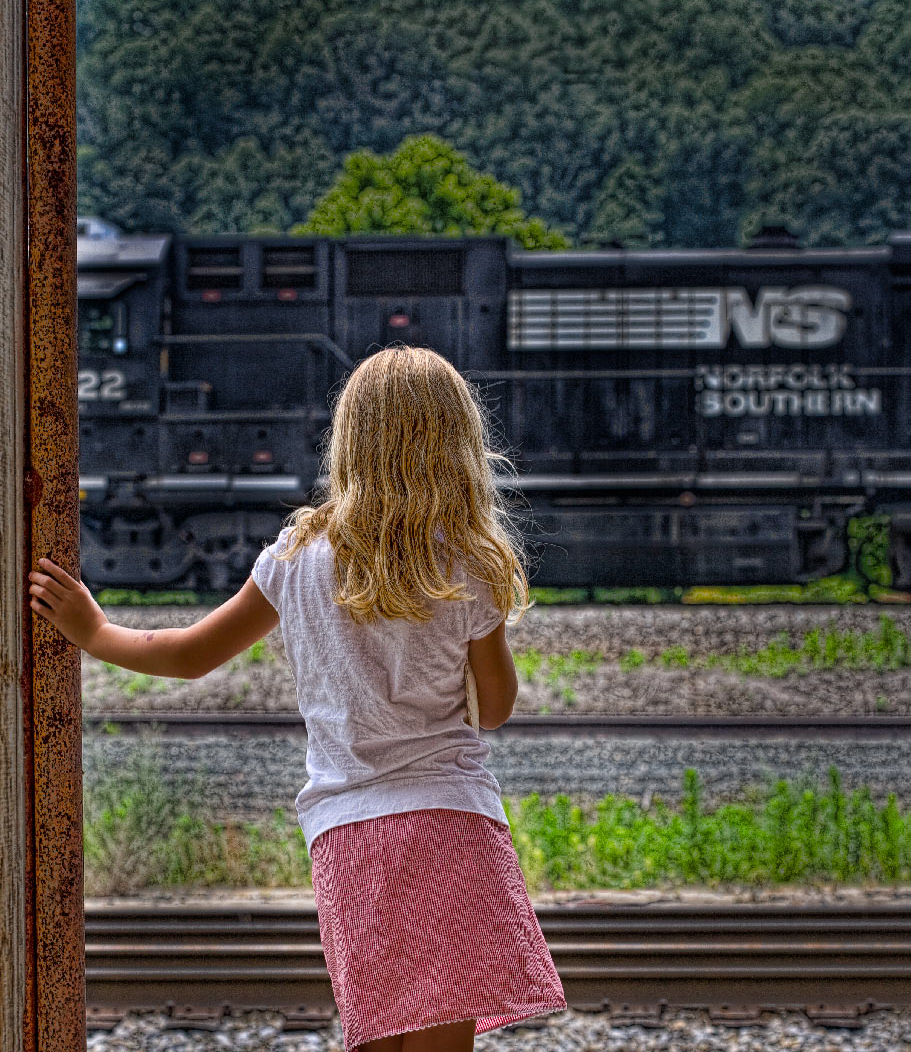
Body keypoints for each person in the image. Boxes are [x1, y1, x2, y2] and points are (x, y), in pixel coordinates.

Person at [29, 344, 567, 1052]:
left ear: (350, 442)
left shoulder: (297, 556)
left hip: (349, 835)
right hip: (448, 822)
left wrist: (94, 631)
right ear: (459, 444)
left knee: (376, 1033)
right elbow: (492, 710)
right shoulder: (470, 563)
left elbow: (189, 655)